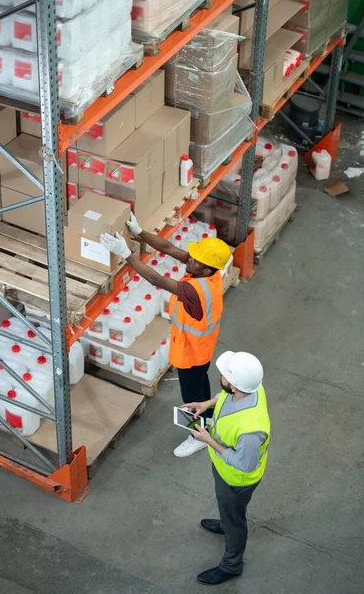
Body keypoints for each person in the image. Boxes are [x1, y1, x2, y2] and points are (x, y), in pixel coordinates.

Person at [100, 213, 231, 457]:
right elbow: (169, 247)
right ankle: (211, 419)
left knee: (190, 398)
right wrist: (139, 232)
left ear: (206, 266)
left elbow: (155, 279)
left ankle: (198, 436)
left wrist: (125, 252)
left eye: (194, 259)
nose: (189, 259)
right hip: (202, 349)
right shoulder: (207, 272)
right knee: (202, 387)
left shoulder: (195, 289)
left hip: (190, 352)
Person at [182, 351, 270, 586]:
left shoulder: (251, 430)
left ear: (234, 384)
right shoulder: (251, 388)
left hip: (236, 480)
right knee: (228, 512)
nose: (220, 375)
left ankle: (232, 565)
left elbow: (244, 464)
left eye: (224, 375)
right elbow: (225, 397)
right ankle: (226, 522)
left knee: (235, 521)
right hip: (223, 468)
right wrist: (205, 404)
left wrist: (208, 440)